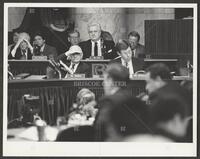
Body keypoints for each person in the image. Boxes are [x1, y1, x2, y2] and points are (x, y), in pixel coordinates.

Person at [94, 63, 135, 141]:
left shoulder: (108, 101)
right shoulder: (134, 99)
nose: (103, 84)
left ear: (110, 80)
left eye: (104, 80)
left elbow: (100, 129)